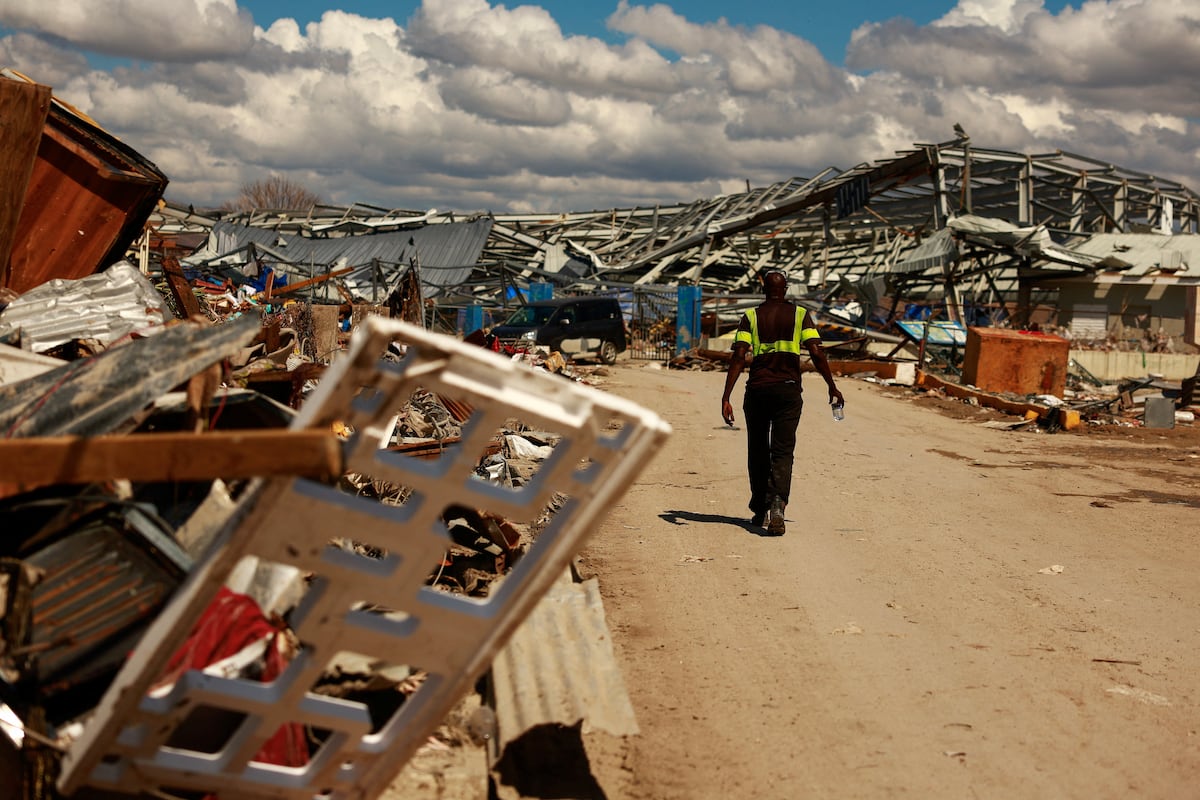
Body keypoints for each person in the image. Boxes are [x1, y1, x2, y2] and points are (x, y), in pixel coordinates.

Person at [720, 270, 844, 535]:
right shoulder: (800, 315)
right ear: (786, 289)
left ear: (763, 288)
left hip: (757, 391)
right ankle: (778, 503)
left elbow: (739, 356)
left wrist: (726, 396)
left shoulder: (750, 316)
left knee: (757, 449)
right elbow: (816, 351)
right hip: (788, 392)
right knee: (783, 451)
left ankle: (759, 506)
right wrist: (831, 385)